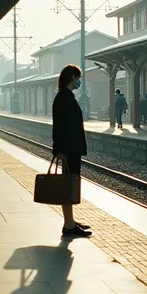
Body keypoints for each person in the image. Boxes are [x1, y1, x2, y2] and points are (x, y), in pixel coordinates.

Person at [52, 64, 91, 239]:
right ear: (72, 78)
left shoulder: (66, 96)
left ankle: (70, 221)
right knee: (68, 186)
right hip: (68, 149)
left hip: (71, 148)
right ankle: (68, 225)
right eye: (78, 78)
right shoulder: (63, 98)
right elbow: (59, 126)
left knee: (71, 184)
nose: (79, 81)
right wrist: (59, 150)